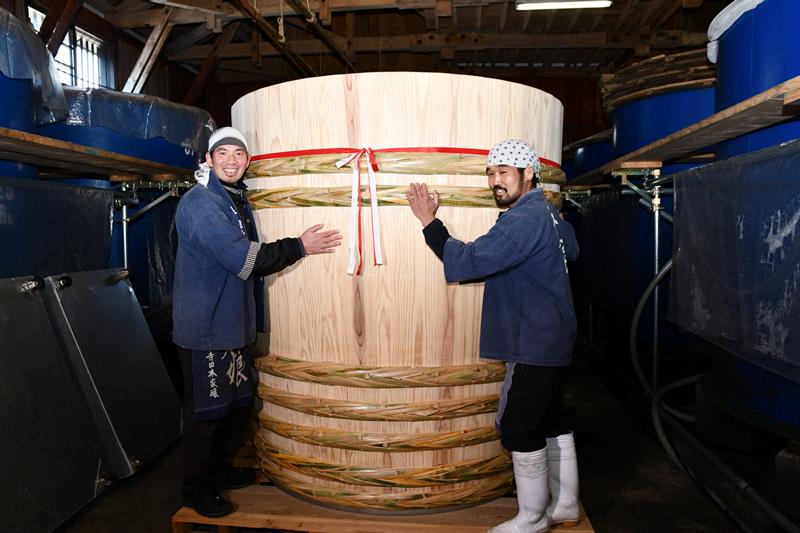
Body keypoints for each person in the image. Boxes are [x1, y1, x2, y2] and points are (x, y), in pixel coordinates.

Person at [406, 139, 580, 533]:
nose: (494, 181)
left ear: (528, 174)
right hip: (555, 337)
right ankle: (566, 504)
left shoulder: (523, 218)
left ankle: (532, 518)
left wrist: (429, 222)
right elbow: (573, 250)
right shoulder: (549, 214)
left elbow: (470, 260)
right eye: (490, 173)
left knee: (518, 425)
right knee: (549, 419)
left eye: (504, 173)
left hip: (534, 340)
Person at [172, 127, 341, 517]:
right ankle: (194, 486)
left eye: (239, 155)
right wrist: (300, 246)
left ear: (247, 161)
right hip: (206, 328)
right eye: (223, 154)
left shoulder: (234, 200)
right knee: (205, 413)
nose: (231, 161)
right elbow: (245, 258)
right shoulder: (200, 205)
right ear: (209, 160)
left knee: (235, 406)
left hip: (232, 322)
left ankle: (218, 470)